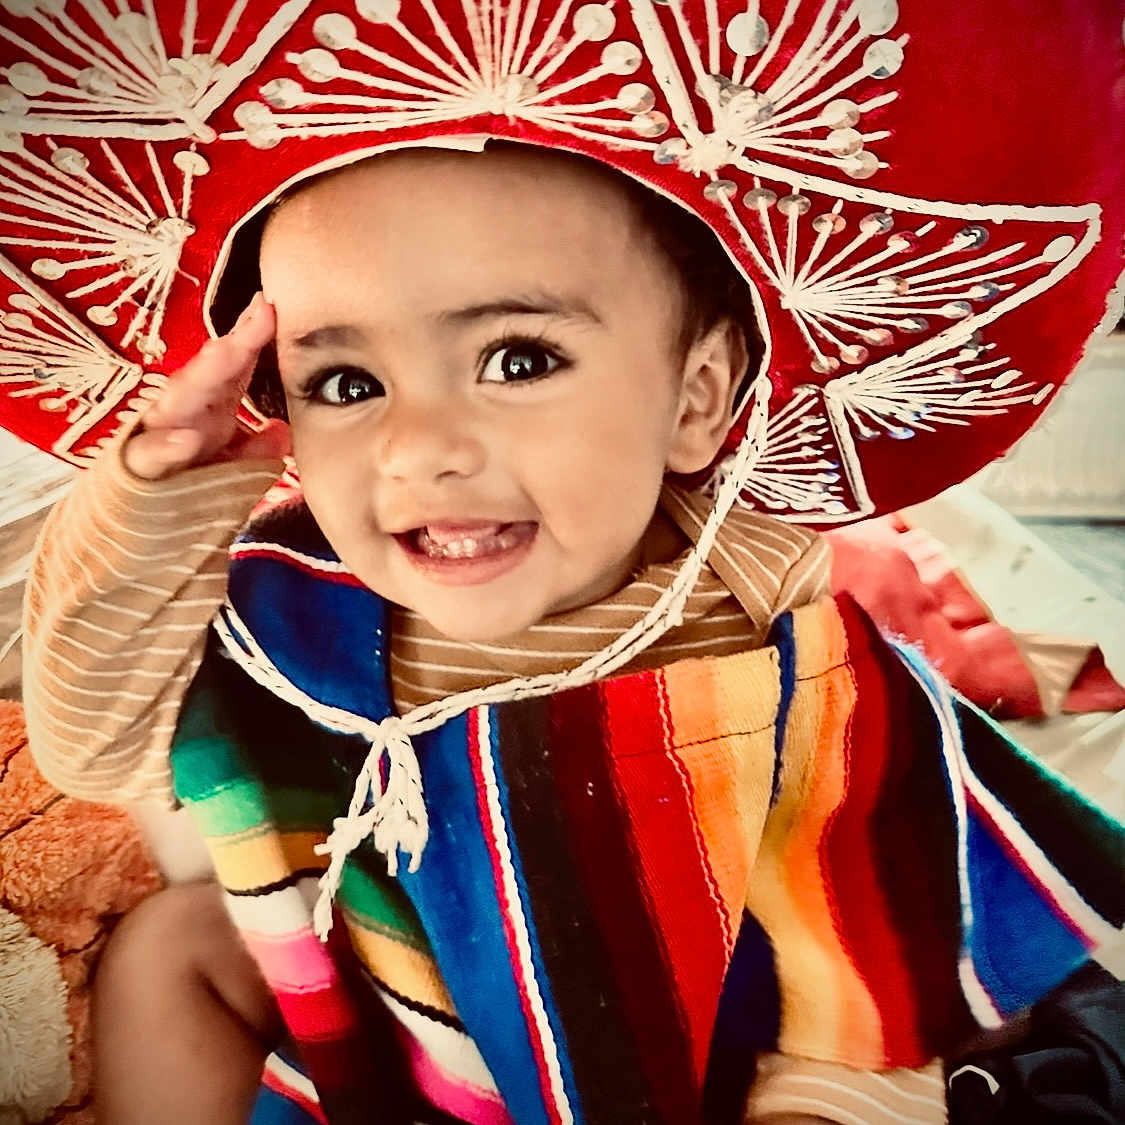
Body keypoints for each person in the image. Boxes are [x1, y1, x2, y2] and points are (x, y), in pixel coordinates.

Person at [7, 2, 1123, 1123]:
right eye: (348, 384)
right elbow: (94, 746)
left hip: (690, 1053)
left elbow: (886, 946)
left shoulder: (768, 648)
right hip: (398, 1023)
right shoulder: (296, 607)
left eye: (519, 358)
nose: (422, 447)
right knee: (174, 947)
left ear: (696, 398)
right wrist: (158, 489)